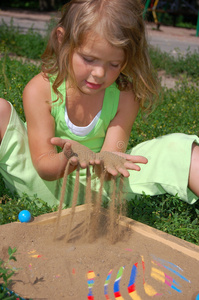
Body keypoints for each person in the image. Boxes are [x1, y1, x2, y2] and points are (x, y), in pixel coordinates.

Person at [0, 0, 198, 208]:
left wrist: (106, 160)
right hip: (44, 187)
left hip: (99, 190)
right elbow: (43, 165)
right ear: (62, 39)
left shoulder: (125, 97)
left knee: (179, 147)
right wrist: (69, 157)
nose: (100, 74)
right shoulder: (39, 91)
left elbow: (109, 166)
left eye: (114, 64)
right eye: (89, 59)